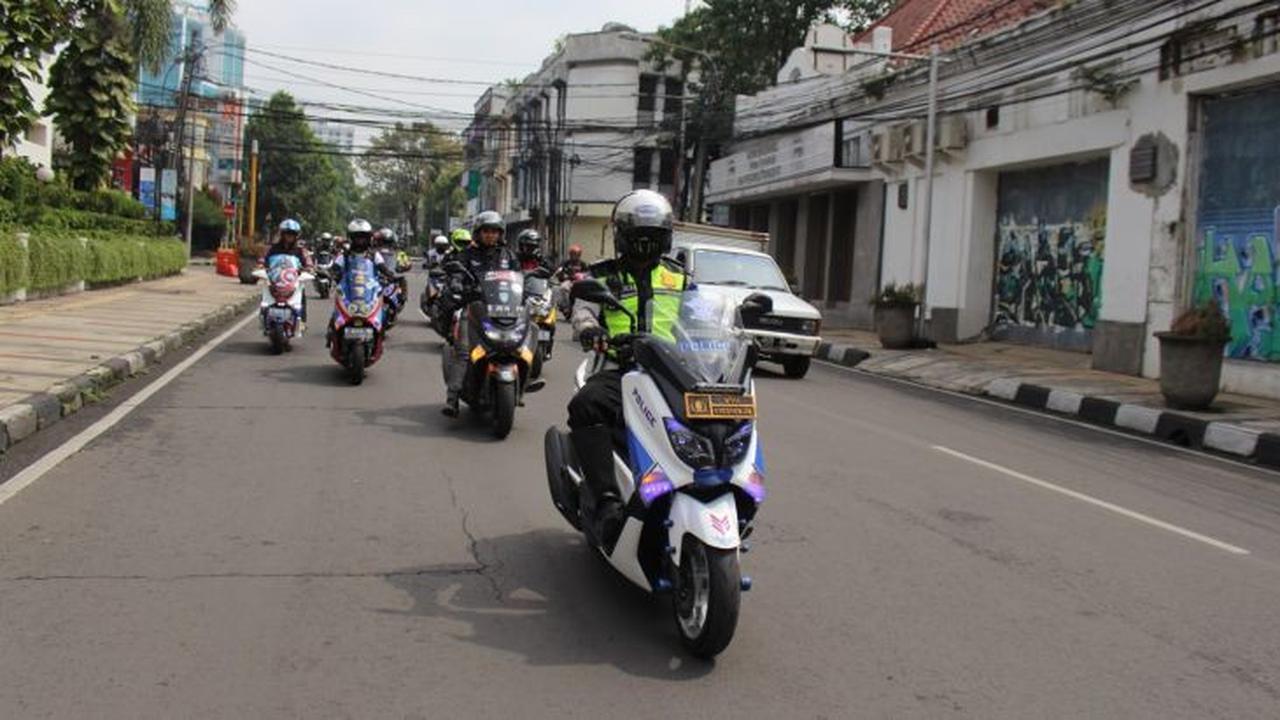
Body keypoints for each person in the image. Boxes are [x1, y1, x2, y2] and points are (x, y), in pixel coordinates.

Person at [568, 190, 687, 547]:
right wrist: (591, 330)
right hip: (624, 369)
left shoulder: (680, 277)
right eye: (638, 235)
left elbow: (703, 315)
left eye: (653, 234)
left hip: (677, 373)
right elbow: (583, 311)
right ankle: (605, 499)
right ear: (622, 236)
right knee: (585, 405)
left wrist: (735, 338)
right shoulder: (602, 276)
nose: (646, 242)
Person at [440, 210, 519, 418]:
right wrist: (457, 282)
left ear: (500, 234)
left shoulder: (508, 256)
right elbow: (456, 273)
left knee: (524, 337)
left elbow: (519, 277)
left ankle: (523, 380)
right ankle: (453, 397)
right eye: (486, 231)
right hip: (473, 308)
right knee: (465, 351)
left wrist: (526, 289)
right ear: (478, 233)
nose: (490, 235)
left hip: (503, 310)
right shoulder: (467, 255)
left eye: (494, 231)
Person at [260, 219, 313, 330]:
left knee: (301, 294)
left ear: (296, 236)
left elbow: (308, 263)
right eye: (287, 233)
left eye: (292, 234)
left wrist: (308, 268)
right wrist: (261, 266)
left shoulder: (300, 251)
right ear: (282, 234)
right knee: (265, 295)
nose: (289, 236)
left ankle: (302, 321)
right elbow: (262, 260)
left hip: (292, 282)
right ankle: (264, 317)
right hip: (275, 281)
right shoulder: (272, 249)